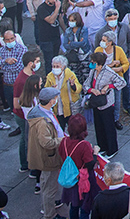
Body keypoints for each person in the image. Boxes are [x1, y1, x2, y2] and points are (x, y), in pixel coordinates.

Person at [27, 86, 64, 219]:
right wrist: (62, 140)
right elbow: (47, 143)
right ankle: (50, 214)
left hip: (48, 156)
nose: (56, 100)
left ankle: (49, 205)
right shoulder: (42, 121)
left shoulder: (43, 112)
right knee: (49, 187)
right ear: (50, 101)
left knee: (46, 183)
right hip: (49, 158)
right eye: (55, 98)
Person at [84, 49, 125, 158]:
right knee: (99, 126)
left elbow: (122, 82)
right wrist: (91, 90)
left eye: (93, 62)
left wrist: (108, 87)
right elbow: (86, 84)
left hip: (106, 103)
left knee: (108, 127)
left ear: (99, 64)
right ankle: (102, 146)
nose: (91, 64)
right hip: (96, 103)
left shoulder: (109, 72)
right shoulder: (93, 72)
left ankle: (112, 149)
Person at [58, 114, 99, 219]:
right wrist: (95, 153)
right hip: (83, 180)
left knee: (74, 205)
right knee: (85, 207)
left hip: (71, 179)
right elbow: (90, 164)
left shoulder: (64, 141)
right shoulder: (84, 145)